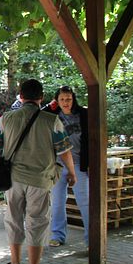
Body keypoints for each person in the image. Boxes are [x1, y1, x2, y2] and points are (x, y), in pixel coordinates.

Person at [0, 79, 76, 264]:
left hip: (13, 179)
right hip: (40, 181)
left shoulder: (7, 118)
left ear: (21, 96)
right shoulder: (52, 120)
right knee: (37, 223)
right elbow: (64, 150)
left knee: (14, 219)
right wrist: (71, 172)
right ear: (41, 97)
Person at [44, 86, 90, 248]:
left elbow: (93, 138)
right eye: (62, 99)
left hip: (79, 164)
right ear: (57, 100)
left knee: (84, 201)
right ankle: (57, 235)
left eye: (68, 99)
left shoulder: (83, 114)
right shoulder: (52, 115)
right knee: (57, 201)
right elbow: (36, 116)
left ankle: (91, 238)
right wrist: (50, 106)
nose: (65, 102)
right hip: (57, 165)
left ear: (73, 99)